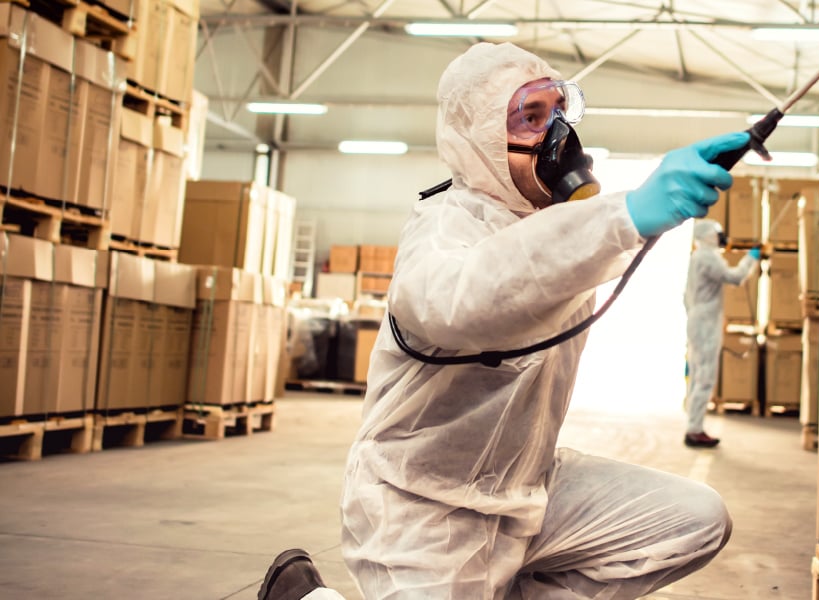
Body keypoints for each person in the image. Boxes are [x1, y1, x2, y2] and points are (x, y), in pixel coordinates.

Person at [259, 42, 753, 600]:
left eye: (559, 114)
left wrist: (612, 219)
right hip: (423, 507)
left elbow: (544, 256)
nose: (557, 137)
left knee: (695, 520)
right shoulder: (443, 225)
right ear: (480, 136)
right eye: (532, 117)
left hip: (527, 491)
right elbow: (462, 301)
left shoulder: (556, 227)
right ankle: (304, 595)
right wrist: (624, 214)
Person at [682, 220, 761, 449]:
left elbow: (684, 295)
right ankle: (695, 430)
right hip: (706, 323)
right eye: (718, 234)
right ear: (708, 236)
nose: (721, 237)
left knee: (697, 375)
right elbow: (734, 277)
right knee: (705, 376)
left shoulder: (696, 256)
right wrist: (751, 258)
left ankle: (693, 426)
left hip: (696, 319)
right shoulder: (708, 256)